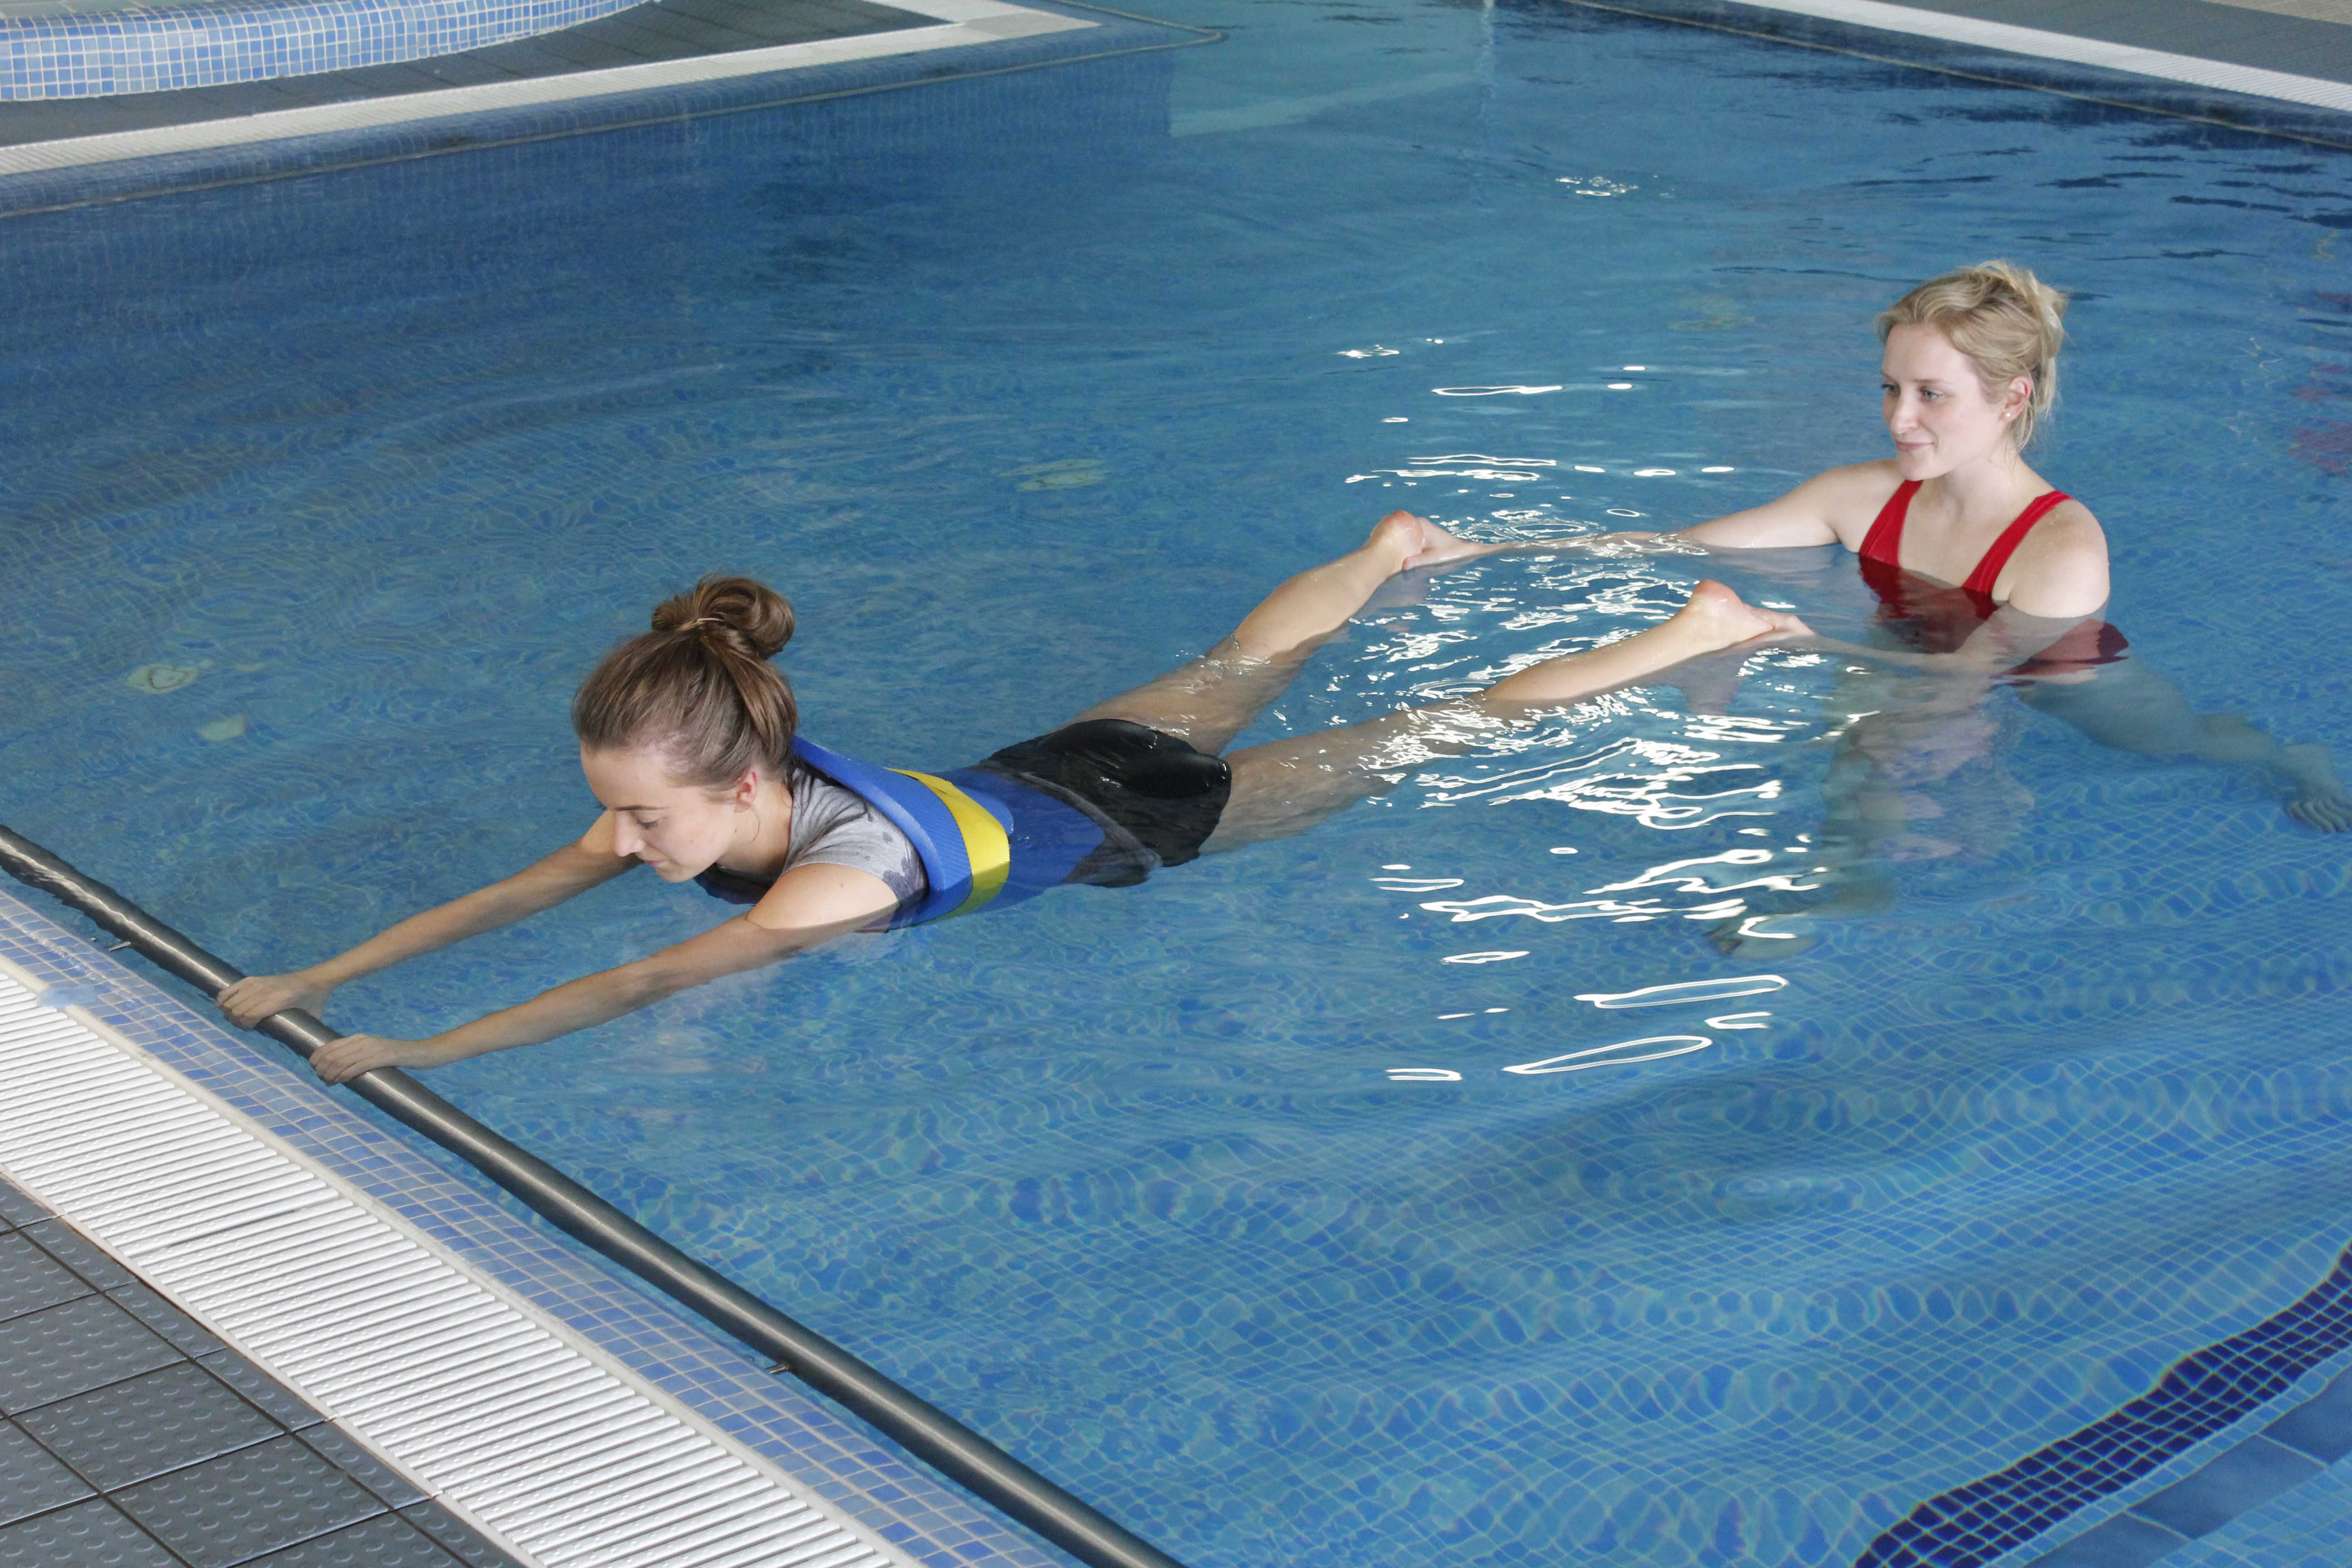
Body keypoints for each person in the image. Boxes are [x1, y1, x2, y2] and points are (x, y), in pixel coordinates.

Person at [217, 512, 1807, 1083]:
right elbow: (522, 895)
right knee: (1242, 652)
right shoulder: (710, 788)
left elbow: (644, 973)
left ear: (747, 778)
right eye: (618, 817)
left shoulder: (822, 885)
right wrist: (324, 977)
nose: (622, 845)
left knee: (1434, 728)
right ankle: (1389, 551)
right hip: (1046, 766)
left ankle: (1691, 630)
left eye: (645, 821)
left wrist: (422, 1047)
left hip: (1135, 816)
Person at [1431, 260, 2350, 842]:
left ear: (2012, 399)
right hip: (1910, 656)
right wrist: (1481, 549)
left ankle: (2296, 756)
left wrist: (1795, 642)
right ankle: (1836, 891)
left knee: (2183, 746)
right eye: (1890, 389)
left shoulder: (2064, 546)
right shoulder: (1861, 496)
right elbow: (1674, 546)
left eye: (1931, 395)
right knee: (1863, 758)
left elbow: (1967, 679)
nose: (1898, 419)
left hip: (2064, 681)